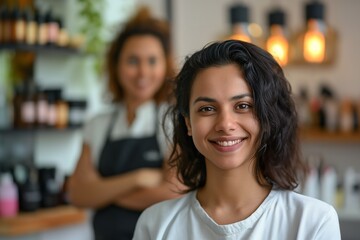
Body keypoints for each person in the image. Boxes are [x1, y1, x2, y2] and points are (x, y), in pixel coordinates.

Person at [133, 40, 341, 239]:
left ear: (266, 116)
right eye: (207, 109)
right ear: (188, 123)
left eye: (243, 106)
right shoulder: (155, 224)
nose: (225, 123)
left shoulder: (313, 222)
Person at [67, 7, 183, 240]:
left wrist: (102, 193)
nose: (142, 72)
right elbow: (77, 194)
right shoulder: (97, 125)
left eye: (152, 61)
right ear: (116, 66)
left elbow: (174, 192)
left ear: (165, 65)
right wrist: (137, 179)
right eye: (133, 60)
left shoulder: (173, 121)